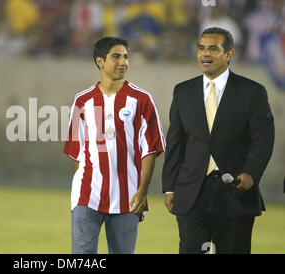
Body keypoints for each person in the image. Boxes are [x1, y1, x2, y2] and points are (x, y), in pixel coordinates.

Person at [162, 27, 274, 254]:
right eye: (201, 48)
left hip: (235, 192)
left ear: (229, 54)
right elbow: (175, 142)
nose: (206, 54)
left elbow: (263, 140)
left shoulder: (252, 92)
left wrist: (251, 173)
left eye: (213, 49)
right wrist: (170, 187)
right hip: (192, 192)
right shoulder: (183, 91)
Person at [64, 37, 165, 254]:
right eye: (116, 56)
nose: (124, 62)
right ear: (100, 61)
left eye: (126, 57)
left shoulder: (142, 99)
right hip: (86, 196)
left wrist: (142, 191)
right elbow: (76, 152)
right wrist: (86, 183)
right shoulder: (82, 101)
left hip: (127, 197)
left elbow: (150, 150)